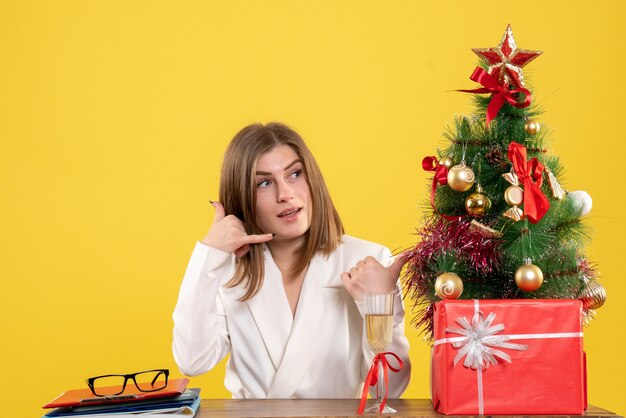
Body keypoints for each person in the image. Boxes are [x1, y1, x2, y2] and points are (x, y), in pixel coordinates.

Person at [172, 122, 411, 399]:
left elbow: (389, 390)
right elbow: (192, 361)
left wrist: (378, 304)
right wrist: (208, 254)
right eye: (263, 183)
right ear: (241, 198)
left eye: (295, 174)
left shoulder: (367, 261)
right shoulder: (225, 270)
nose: (285, 194)